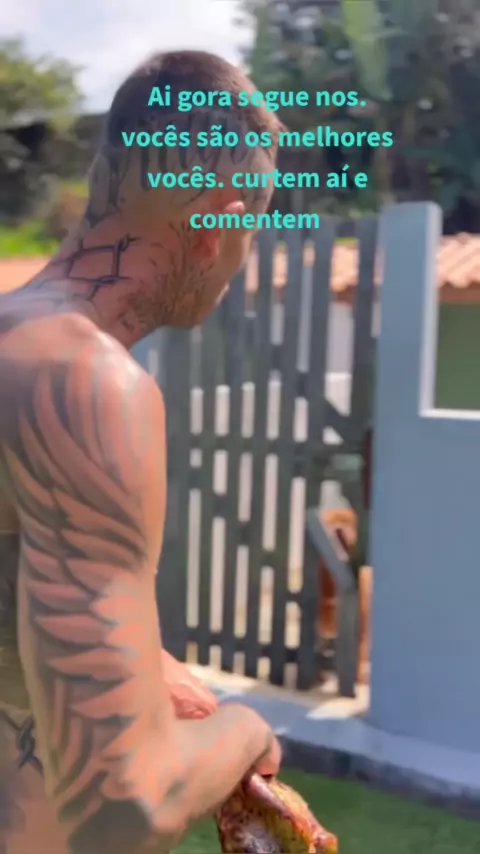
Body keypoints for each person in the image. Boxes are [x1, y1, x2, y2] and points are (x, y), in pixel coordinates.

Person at [0, 50, 282, 854]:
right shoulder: (84, 385)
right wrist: (246, 730)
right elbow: (122, 808)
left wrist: (145, 667)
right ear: (217, 226)